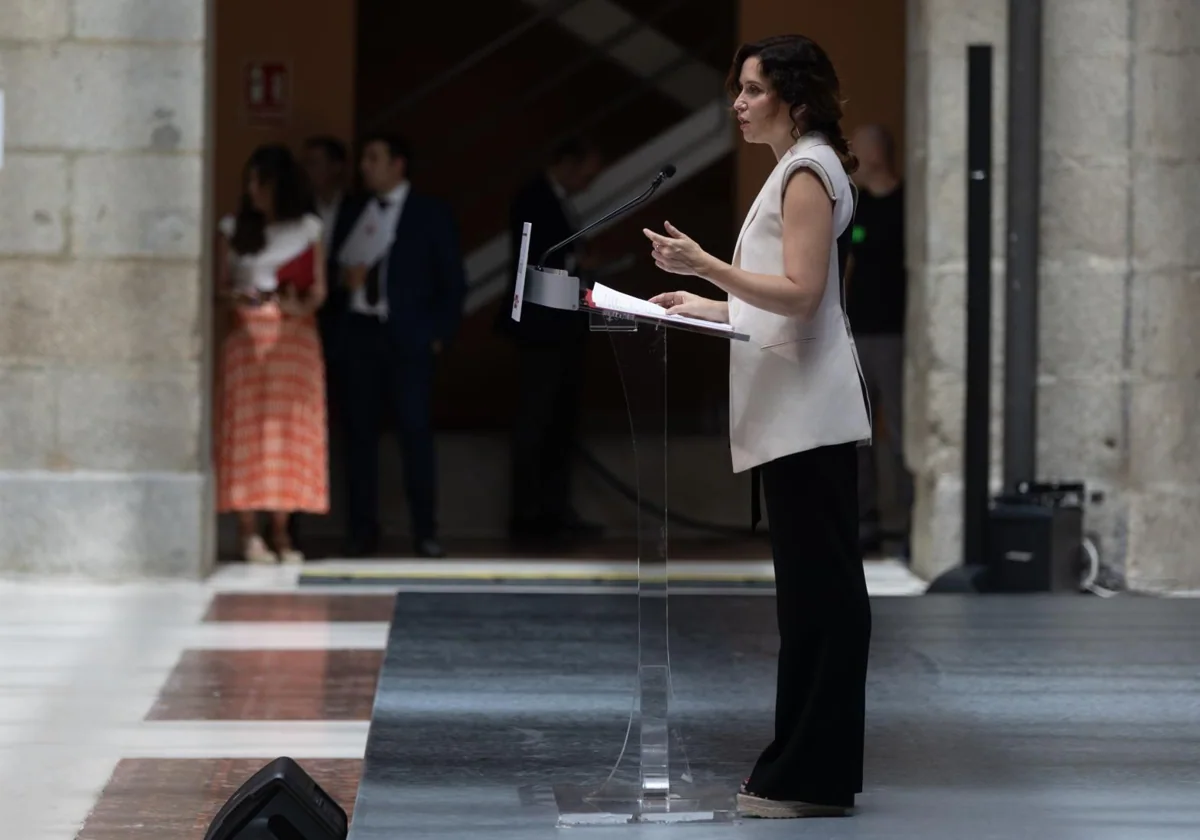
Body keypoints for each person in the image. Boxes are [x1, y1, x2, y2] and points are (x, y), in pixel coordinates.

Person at [643, 34, 873, 818]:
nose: (738, 103)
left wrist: (707, 265)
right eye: (739, 89)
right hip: (799, 413)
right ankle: (809, 767)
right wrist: (706, 306)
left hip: (807, 415)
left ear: (794, 98)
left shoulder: (807, 169)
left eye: (751, 90)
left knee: (821, 602)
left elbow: (804, 293)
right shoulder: (799, 166)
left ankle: (810, 774)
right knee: (813, 600)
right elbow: (784, 293)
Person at [335, 133, 466, 559]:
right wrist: (345, 284)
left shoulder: (430, 213)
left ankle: (425, 531)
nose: (364, 166)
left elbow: (453, 283)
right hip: (361, 333)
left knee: (415, 435)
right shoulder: (353, 209)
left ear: (398, 164)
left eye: (373, 158)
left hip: (409, 338)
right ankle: (361, 531)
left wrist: (438, 336)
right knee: (359, 438)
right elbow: (333, 268)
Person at [215, 144, 330, 564]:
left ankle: (281, 531)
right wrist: (239, 297)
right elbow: (218, 289)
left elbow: (319, 290)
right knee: (247, 432)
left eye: (261, 183)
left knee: (288, 433)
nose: (253, 191)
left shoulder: (308, 228)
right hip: (247, 341)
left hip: (293, 340)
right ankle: (248, 533)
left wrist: (298, 303)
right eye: (249, 183)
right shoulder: (232, 228)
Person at [499, 137, 605, 542]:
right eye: (586, 172)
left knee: (561, 423)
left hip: (565, 326)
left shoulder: (558, 199)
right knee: (536, 423)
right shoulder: (534, 197)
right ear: (566, 161)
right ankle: (530, 516)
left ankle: (555, 510)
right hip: (542, 328)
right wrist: (579, 262)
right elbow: (536, 259)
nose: (588, 182)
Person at [847, 124, 912, 556]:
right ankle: (864, 519)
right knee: (857, 433)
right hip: (857, 329)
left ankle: (909, 522)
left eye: (856, 146)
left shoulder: (907, 202)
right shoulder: (856, 205)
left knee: (902, 433)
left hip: (895, 331)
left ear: (876, 152)